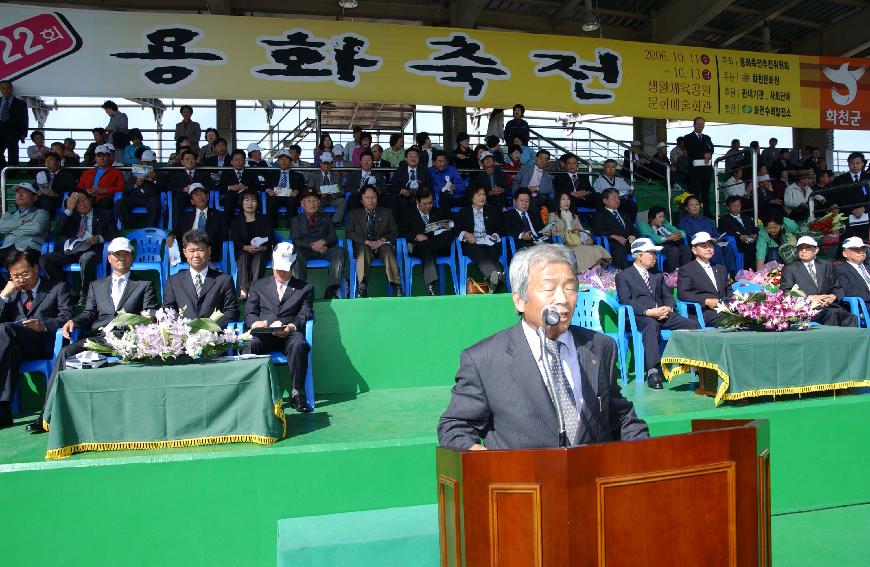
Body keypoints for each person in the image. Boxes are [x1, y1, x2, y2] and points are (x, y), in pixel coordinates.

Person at [438, 244, 649, 450]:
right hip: (524, 482)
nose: (563, 298)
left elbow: (618, 416)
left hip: (590, 480)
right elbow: (455, 426)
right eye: (549, 288)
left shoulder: (600, 347)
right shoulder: (484, 360)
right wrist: (484, 462)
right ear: (519, 301)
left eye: (570, 287)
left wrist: (646, 452)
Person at [26, 237, 159, 434]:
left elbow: (151, 312)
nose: (121, 258)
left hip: (132, 340)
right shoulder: (96, 285)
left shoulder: (144, 284)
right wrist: (74, 321)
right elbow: (89, 313)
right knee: (65, 352)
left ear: (132, 257)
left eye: (126, 254)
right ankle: (46, 415)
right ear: (109, 258)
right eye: (117, 254)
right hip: (102, 338)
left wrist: (147, 319)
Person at [0, 249, 71, 429]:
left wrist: (44, 325)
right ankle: (3, 411)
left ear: (35, 268)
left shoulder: (56, 287)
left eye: (24, 273)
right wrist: (3, 296)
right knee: (11, 349)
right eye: (15, 275)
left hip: (42, 342)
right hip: (13, 345)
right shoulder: (12, 293)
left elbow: (67, 316)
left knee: (4, 329)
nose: (21, 279)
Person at [616, 239, 699, 388]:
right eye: (651, 253)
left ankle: (698, 364)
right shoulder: (624, 276)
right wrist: (648, 312)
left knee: (692, 324)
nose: (655, 257)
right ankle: (653, 372)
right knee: (651, 324)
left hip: (662, 314)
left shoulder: (657, 275)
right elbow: (625, 300)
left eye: (655, 254)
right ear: (638, 255)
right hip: (640, 318)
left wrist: (668, 308)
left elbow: (668, 296)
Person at [244, 242, 314, 413]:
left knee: (299, 344)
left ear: (292, 265)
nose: (280, 272)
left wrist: (290, 327)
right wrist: (256, 323)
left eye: (285, 268)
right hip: (264, 334)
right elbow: (250, 313)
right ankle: (250, 394)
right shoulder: (258, 286)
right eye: (277, 267)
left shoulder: (305, 288)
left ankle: (298, 393)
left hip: (289, 333)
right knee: (250, 344)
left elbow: (304, 314)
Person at [41, 190, 117, 304]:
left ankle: (85, 294)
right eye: (77, 202)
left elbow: (114, 234)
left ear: (90, 200)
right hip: (72, 250)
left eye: (84, 200)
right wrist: (69, 209)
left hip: (93, 249)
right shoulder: (71, 215)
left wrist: (98, 238)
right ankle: (65, 291)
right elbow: (58, 231)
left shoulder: (104, 214)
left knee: (86, 258)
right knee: (45, 259)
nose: (81, 204)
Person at [163, 229, 238, 327]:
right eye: (191, 251)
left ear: (209, 251)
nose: (196, 255)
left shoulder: (224, 280)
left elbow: (232, 311)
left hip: (213, 337)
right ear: (185, 252)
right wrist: (184, 327)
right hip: (184, 336)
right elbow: (168, 310)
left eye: (200, 250)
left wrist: (208, 326)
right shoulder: (174, 281)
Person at [779, 237, 856, 327]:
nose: (804, 251)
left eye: (808, 247)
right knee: (832, 314)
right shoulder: (790, 268)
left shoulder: (826, 265)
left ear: (816, 250)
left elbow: (838, 287)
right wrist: (808, 298)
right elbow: (785, 292)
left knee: (850, 317)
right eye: (801, 248)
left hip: (829, 305)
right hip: (807, 308)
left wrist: (833, 296)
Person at [346, 185, 403, 298]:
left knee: (388, 249)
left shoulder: (387, 212)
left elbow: (394, 231)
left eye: (373, 197)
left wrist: (383, 240)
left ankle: (396, 285)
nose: (371, 200)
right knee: (363, 251)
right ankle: (362, 286)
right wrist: (366, 241)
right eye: (367, 197)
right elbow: (349, 233)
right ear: (362, 200)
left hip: (381, 245)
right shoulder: (354, 214)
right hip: (364, 245)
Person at [290, 188, 345, 300]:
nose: (312, 203)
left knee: (339, 251)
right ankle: (301, 290)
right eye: (308, 201)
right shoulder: (296, 220)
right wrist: (312, 245)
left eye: (315, 200)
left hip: (324, 249)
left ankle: (331, 289)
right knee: (295, 253)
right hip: (305, 250)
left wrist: (324, 242)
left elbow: (333, 237)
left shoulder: (326, 218)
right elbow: (296, 239)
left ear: (319, 202)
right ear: (302, 203)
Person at [399, 187, 454, 296]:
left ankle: (430, 286)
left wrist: (446, 226)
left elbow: (452, 225)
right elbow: (400, 232)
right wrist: (415, 236)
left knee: (433, 244)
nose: (428, 206)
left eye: (430, 203)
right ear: (417, 201)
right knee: (426, 247)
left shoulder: (438, 212)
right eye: (424, 204)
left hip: (433, 246)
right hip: (412, 247)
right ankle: (430, 284)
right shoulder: (408, 212)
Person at [677, 232, 733, 327]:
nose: (708, 249)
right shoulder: (687, 270)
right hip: (703, 312)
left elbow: (728, 289)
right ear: (694, 250)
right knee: (731, 319)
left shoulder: (721, 268)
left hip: (724, 309)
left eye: (710, 245)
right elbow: (683, 294)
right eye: (703, 246)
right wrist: (706, 301)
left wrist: (734, 301)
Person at [456, 184, 505, 292]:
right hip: (472, 243)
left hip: (488, 241)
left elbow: (498, 228)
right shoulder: (463, 212)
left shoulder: (491, 211)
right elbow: (456, 229)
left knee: (492, 249)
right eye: (479, 195)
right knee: (476, 250)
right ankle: (497, 277)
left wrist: (495, 235)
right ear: (471, 197)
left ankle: (493, 281)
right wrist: (466, 234)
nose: (482, 197)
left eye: (483, 195)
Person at [551, 192, 610, 271]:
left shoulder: (574, 216)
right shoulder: (553, 216)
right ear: (558, 201)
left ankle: (595, 273)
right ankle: (591, 273)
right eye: (563, 199)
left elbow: (582, 230)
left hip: (578, 242)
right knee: (589, 250)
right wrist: (568, 233)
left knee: (598, 248)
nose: (566, 202)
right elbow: (553, 233)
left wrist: (588, 237)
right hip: (565, 244)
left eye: (568, 199)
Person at [167, 182, 225, 263]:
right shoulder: (186, 217)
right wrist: (171, 235)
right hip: (190, 249)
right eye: (196, 195)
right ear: (192, 201)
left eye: (202, 193)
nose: (199, 196)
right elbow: (177, 231)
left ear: (207, 197)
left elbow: (223, 235)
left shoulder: (218, 215)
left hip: (209, 249)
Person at [230, 190, 272, 299]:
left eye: (253, 200)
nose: (250, 203)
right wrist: (246, 247)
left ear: (257, 203)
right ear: (242, 202)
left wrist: (262, 248)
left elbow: (269, 237)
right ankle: (244, 289)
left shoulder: (265, 219)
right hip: (243, 249)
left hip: (261, 250)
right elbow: (236, 240)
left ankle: (255, 289)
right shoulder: (236, 221)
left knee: (258, 258)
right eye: (247, 200)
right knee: (243, 256)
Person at [678, 195, 736, 273]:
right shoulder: (684, 222)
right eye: (692, 205)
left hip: (713, 242)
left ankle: (729, 273)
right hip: (699, 244)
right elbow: (688, 237)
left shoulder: (707, 220)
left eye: (697, 204)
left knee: (728, 247)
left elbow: (716, 234)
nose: (695, 207)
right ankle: (718, 272)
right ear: (686, 208)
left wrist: (717, 238)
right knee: (716, 249)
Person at [0, 183, 50, 263]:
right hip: (6, 248)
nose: (20, 194)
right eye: (17, 192)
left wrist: (11, 229)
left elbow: (37, 228)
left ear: (34, 198)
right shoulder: (8, 214)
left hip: (28, 249)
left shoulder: (41, 213)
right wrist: (21, 222)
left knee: (17, 262)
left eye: (24, 192)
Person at [591, 188, 636, 269]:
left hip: (629, 243)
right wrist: (614, 236)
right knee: (619, 249)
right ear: (605, 201)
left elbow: (632, 229)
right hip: (612, 243)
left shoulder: (625, 215)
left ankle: (653, 276)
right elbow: (598, 231)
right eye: (613, 198)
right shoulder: (599, 215)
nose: (617, 200)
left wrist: (633, 236)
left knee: (645, 246)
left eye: (618, 198)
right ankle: (623, 276)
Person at [118, 148, 162, 228]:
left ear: (155, 163)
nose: (148, 164)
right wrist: (135, 184)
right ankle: (128, 229)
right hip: (135, 197)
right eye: (145, 162)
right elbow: (126, 188)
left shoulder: (160, 173)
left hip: (150, 198)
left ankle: (151, 229)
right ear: (141, 162)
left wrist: (155, 180)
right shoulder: (135, 172)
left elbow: (164, 188)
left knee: (155, 203)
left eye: (151, 162)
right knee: (120, 203)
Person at [638, 205, 690, 272]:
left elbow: (681, 232)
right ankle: (674, 274)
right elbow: (654, 238)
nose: (662, 219)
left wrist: (679, 234)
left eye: (663, 217)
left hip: (673, 243)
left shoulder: (665, 224)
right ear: (652, 217)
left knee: (686, 249)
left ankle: (686, 271)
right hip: (659, 245)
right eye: (659, 216)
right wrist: (668, 238)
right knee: (674, 250)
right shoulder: (644, 226)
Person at [76, 144, 125, 216]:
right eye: (99, 156)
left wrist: (104, 190)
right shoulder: (87, 173)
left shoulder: (117, 173)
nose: (101, 158)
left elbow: (121, 188)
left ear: (109, 157)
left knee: (103, 203)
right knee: (69, 201)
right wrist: (86, 191)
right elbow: (79, 187)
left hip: (105, 198)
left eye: (104, 156)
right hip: (87, 198)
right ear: (95, 158)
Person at [262, 149, 305, 228]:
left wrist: (297, 191)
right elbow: (265, 186)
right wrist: (268, 190)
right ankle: (272, 227)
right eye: (281, 159)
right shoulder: (271, 174)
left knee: (292, 200)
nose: (284, 161)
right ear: (278, 162)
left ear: (291, 162)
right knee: (271, 201)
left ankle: (291, 227)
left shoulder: (298, 175)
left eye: (287, 159)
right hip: (275, 196)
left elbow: (302, 187)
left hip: (290, 196)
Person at [392, 146, 433, 222]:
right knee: (401, 201)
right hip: (404, 197)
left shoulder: (424, 170)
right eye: (410, 156)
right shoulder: (400, 171)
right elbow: (393, 187)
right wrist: (401, 191)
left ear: (419, 158)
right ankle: (404, 225)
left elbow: (430, 186)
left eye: (415, 156)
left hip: (420, 195)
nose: (413, 158)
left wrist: (422, 192)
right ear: (406, 159)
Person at [683, 116, 715, 217]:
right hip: (695, 170)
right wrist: (703, 155)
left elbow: (711, 148)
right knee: (695, 192)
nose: (701, 126)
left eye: (702, 124)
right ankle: (695, 212)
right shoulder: (688, 137)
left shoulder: (707, 137)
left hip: (706, 169)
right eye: (699, 124)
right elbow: (691, 149)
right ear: (694, 125)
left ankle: (707, 211)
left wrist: (709, 154)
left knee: (705, 192)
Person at [305, 152, 347, 226]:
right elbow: (310, 190)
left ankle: (335, 222)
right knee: (315, 202)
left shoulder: (336, 176)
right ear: (321, 164)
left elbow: (342, 191)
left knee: (342, 201)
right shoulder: (313, 176)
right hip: (320, 199)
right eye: (324, 163)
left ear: (331, 165)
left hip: (333, 199)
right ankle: (324, 220)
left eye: (328, 164)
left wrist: (336, 194)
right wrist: (318, 194)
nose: (326, 166)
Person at [218, 149, 261, 218]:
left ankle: (247, 225)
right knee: (228, 199)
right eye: (236, 160)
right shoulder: (226, 173)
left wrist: (246, 188)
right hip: (231, 198)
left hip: (247, 197)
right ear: (231, 162)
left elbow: (258, 187)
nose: (238, 162)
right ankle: (229, 225)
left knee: (249, 200)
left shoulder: (251, 173)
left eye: (241, 160)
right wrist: (230, 187)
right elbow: (220, 187)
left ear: (244, 162)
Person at [717, 196, 757, 270]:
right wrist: (739, 237)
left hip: (751, 243)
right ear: (728, 207)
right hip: (738, 244)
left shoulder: (746, 218)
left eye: (738, 205)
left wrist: (755, 235)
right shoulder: (723, 219)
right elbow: (725, 232)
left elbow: (755, 229)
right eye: (733, 206)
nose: (736, 208)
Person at [592, 158, 637, 224]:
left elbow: (630, 191)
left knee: (632, 205)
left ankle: (629, 225)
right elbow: (597, 195)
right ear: (604, 168)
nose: (610, 169)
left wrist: (620, 194)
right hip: (606, 203)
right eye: (608, 167)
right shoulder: (599, 181)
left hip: (619, 201)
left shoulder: (620, 180)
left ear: (615, 168)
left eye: (613, 167)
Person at [0, 80, 29, 169]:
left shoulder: (21, 103)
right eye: (3, 88)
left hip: (13, 131)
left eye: (7, 88)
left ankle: (13, 173)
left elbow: (24, 119)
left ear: (11, 89)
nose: (5, 90)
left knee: (13, 152)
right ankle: (3, 170)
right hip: (0, 131)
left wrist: (23, 133)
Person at [835, 237, 870, 303]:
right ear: (845, 253)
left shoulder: (868, 267)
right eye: (856, 249)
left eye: (863, 248)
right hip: (863, 306)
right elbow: (850, 293)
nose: (861, 251)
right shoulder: (840, 270)